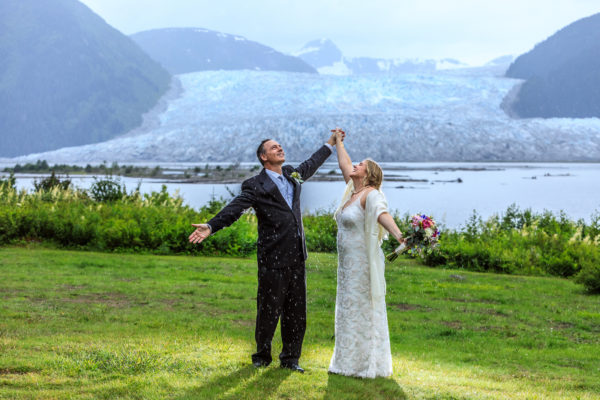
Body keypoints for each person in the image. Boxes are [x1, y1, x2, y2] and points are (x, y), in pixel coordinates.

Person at [189, 132, 342, 373]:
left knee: (296, 312)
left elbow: (311, 164)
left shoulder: (293, 175)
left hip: (297, 257)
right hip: (272, 258)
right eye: (274, 147)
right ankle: (262, 356)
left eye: (280, 146)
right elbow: (235, 208)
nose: (280, 148)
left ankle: (291, 359)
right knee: (269, 310)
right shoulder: (255, 184)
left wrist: (330, 144)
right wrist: (211, 225)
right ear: (264, 157)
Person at [328, 128, 405, 378]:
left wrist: (400, 237)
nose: (355, 165)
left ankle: (366, 364)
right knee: (347, 310)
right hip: (346, 267)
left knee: (362, 309)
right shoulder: (352, 191)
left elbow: (382, 216)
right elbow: (344, 164)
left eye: (360, 164)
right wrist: (338, 141)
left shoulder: (370, 195)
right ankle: (346, 362)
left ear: (369, 174)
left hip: (361, 264)